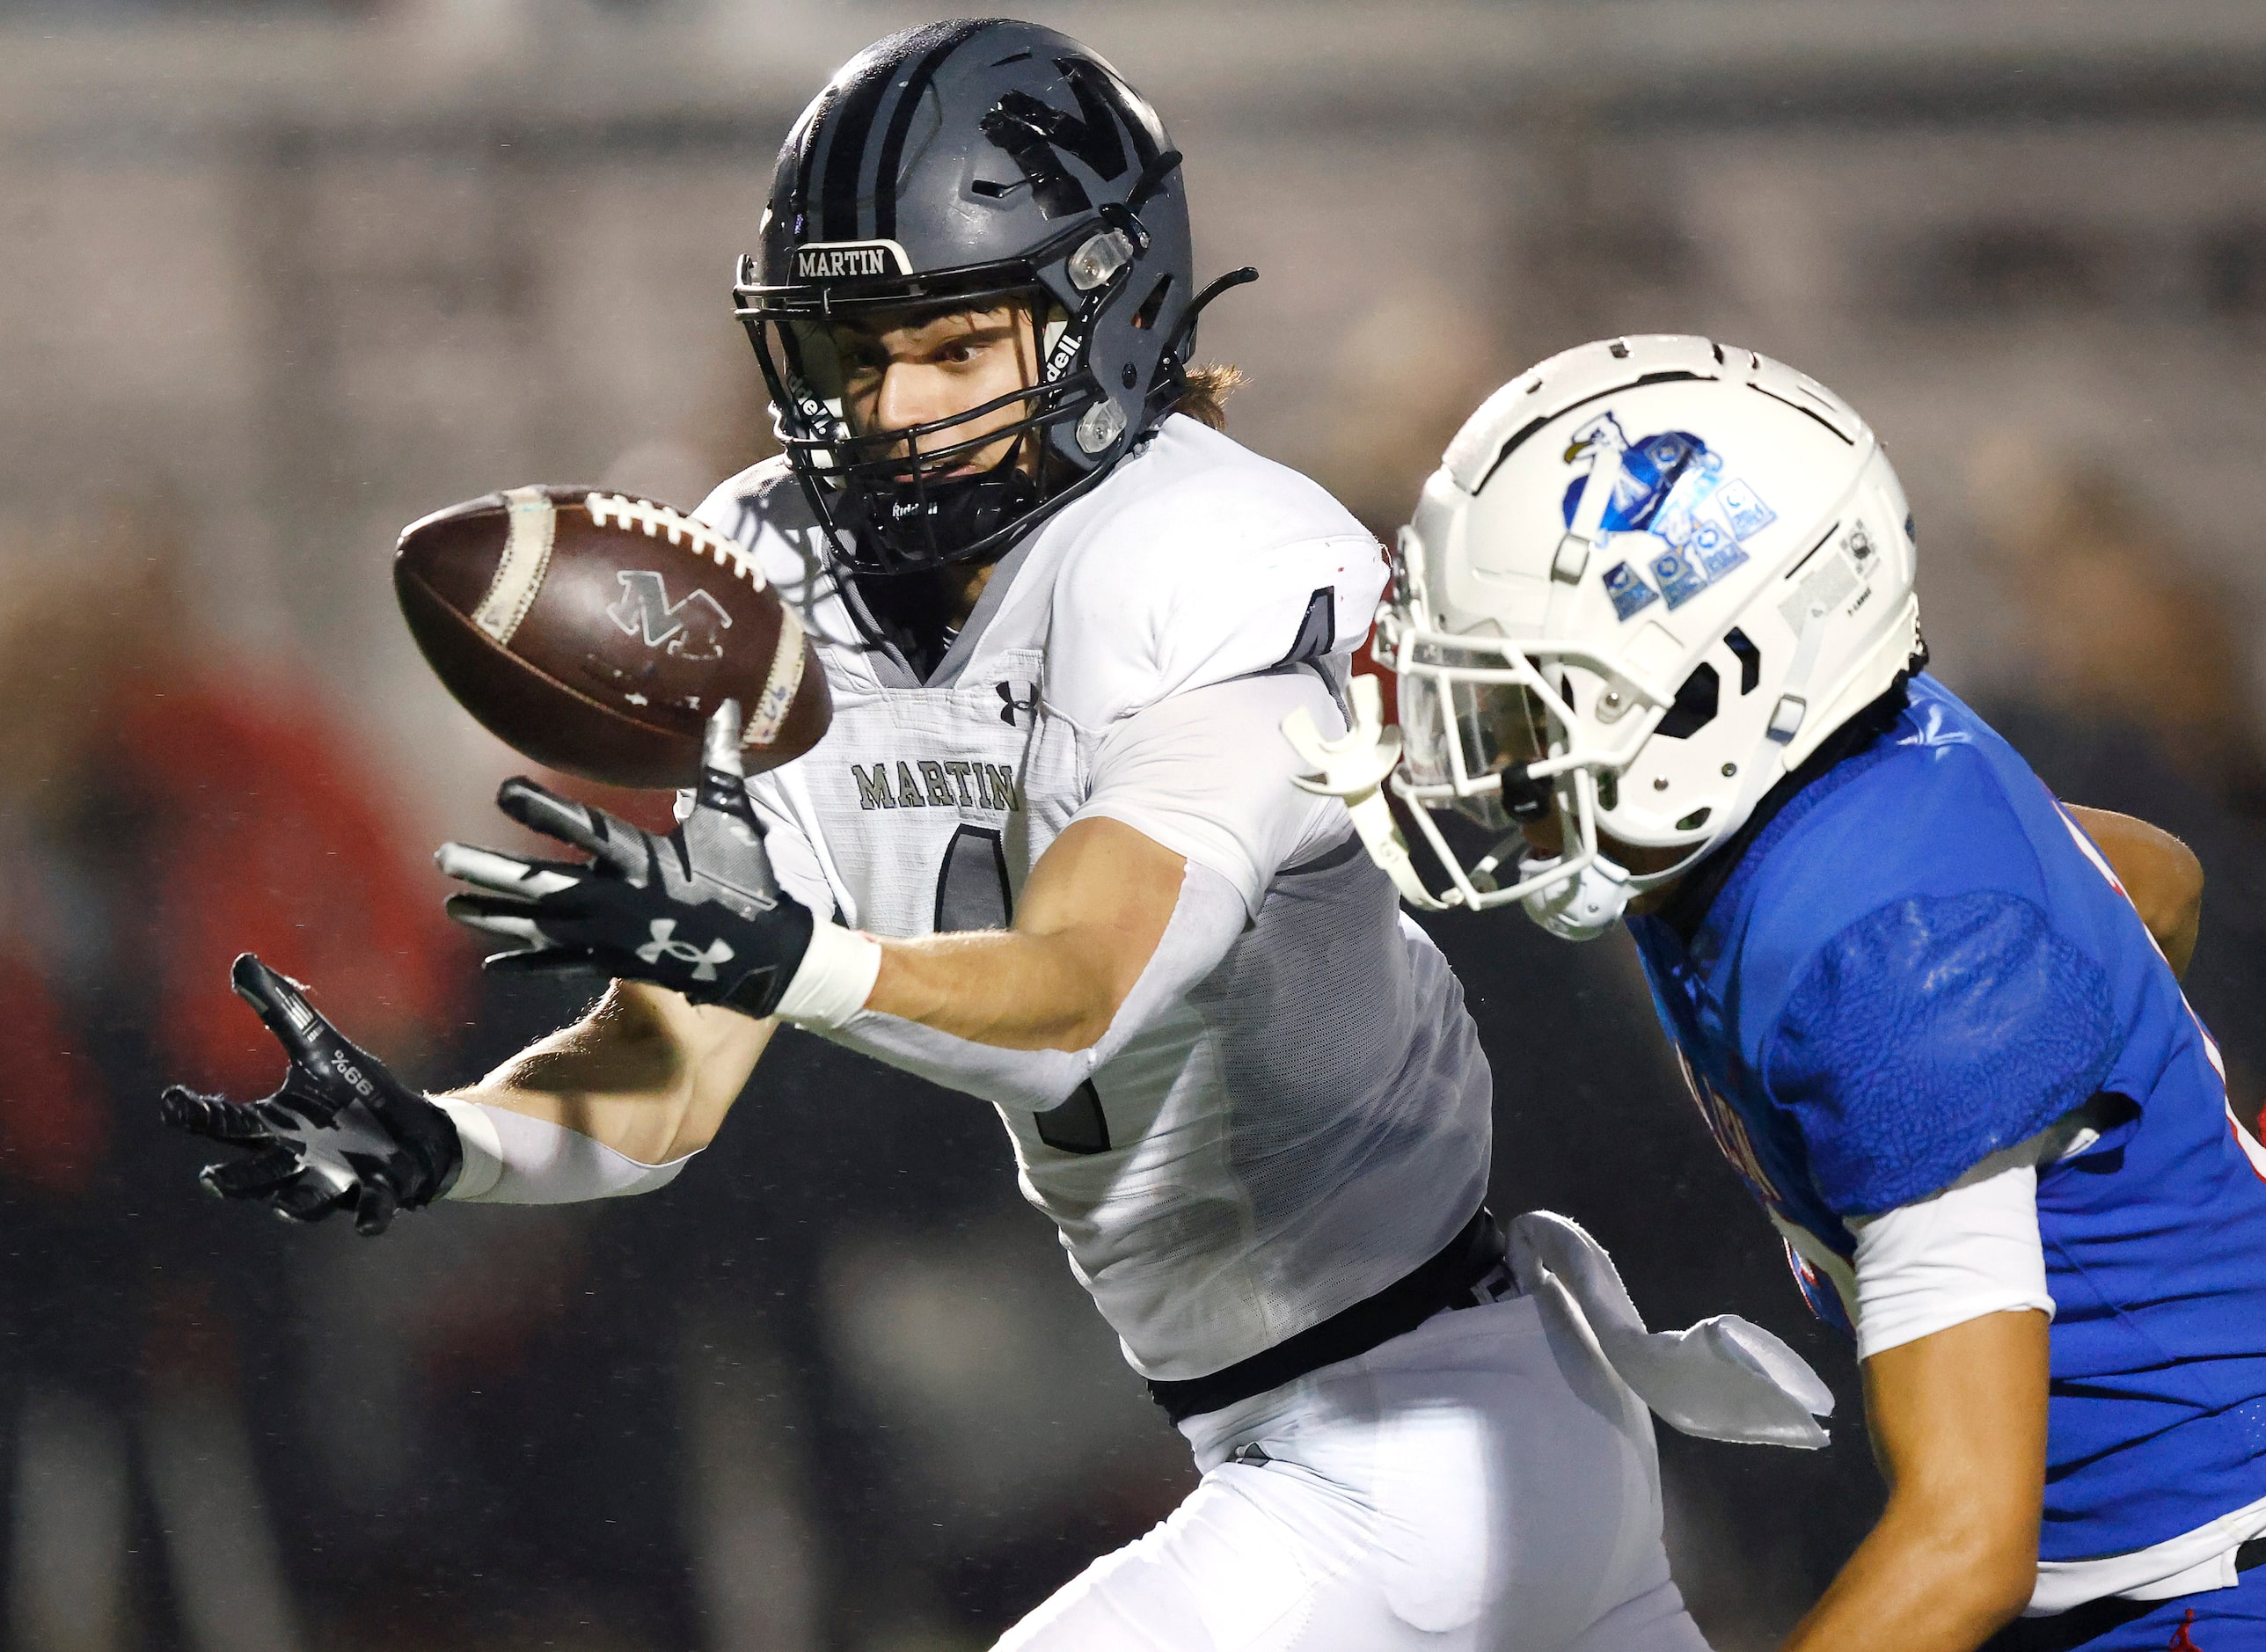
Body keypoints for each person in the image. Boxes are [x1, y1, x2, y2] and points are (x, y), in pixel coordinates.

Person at [157, 26, 1835, 1652]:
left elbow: (1081, 986)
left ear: (1108, 314)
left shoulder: (1217, 557)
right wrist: (450, 1144)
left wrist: (793, 958)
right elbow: (674, 1076)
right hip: (1323, 1431)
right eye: (848, 351)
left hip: (1419, 1434)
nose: (887, 409)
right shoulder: (772, 574)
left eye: (951, 346)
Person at [1310, 333, 2266, 1652]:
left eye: (1540, 710)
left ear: (1722, 689)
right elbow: (2148, 882)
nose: (1489, 764)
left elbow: (1963, 1543)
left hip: (2195, 1582)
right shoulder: (1850, 792)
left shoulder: (1895, 958)